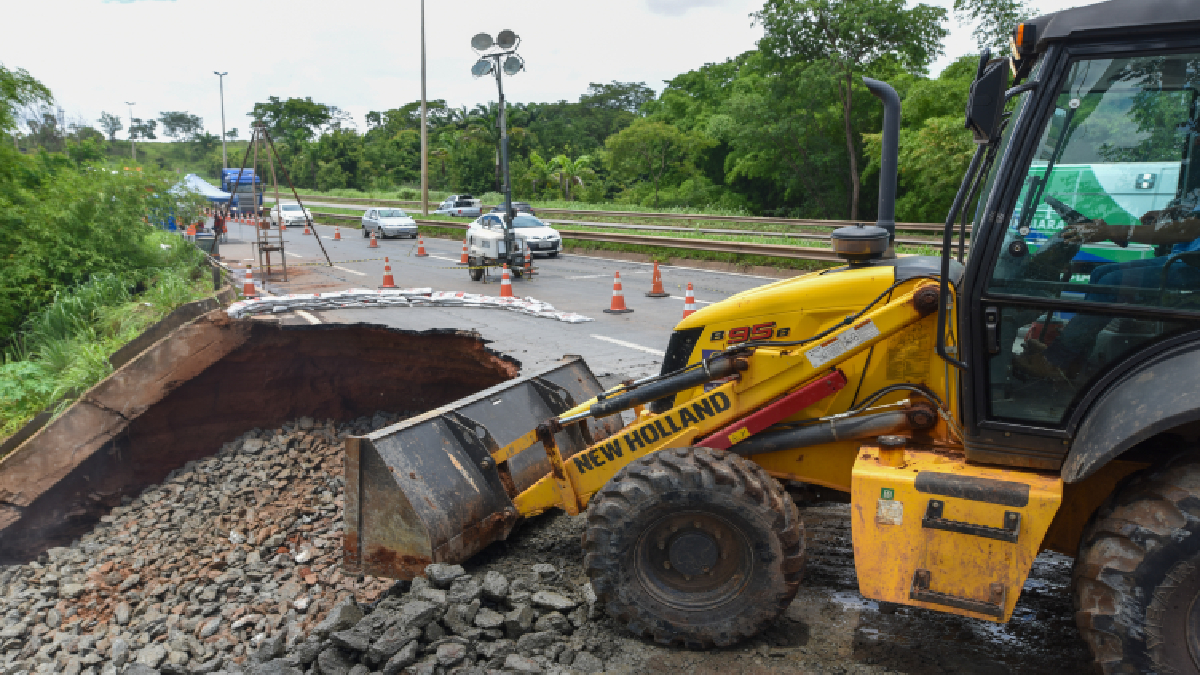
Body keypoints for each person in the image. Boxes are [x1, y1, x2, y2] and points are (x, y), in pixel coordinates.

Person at [1014, 189, 1200, 380]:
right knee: (1100, 273)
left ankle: (1056, 360)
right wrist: (1167, 214)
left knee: (1111, 282)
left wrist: (1109, 231)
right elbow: (1192, 218)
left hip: (1194, 265)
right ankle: (1072, 361)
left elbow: (1188, 230)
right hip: (1185, 257)